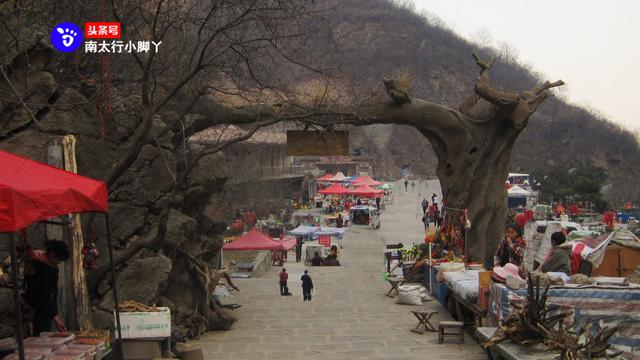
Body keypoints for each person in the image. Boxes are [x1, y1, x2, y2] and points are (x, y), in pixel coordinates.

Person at [22, 240, 69, 335]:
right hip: (38, 309)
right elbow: (45, 294)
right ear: (52, 254)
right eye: (59, 260)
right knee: (40, 339)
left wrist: (54, 315)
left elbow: (50, 293)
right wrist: (55, 318)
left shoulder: (48, 264)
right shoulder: (42, 268)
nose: (59, 263)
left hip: (43, 309)